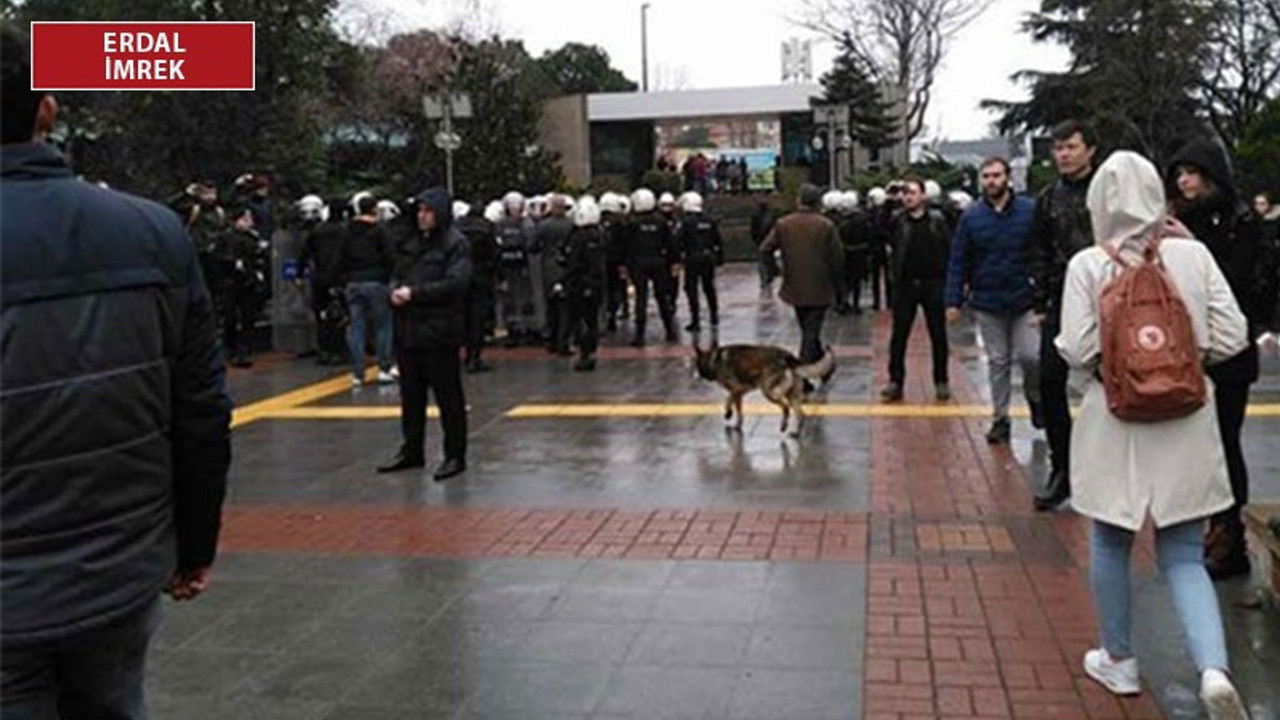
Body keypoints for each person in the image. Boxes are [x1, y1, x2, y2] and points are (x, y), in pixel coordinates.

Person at [1, 23, 232, 716]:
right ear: (47, 108)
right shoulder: (155, 232)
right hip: (120, 569)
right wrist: (193, 546)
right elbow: (200, 411)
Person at [1056, 150, 1251, 720]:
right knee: (1186, 554)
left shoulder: (1089, 263)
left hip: (1114, 418)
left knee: (1111, 541)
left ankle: (1119, 660)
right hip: (1187, 416)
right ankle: (1214, 670)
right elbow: (1234, 333)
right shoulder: (1193, 254)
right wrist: (1185, 361)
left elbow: (1079, 347)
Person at [1167, 137, 1274, 580]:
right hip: (1186, 351)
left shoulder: (1241, 223)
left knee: (1224, 443)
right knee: (1195, 446)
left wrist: (1193, 245)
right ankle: (1210, 529)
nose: (1184, 181)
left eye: (1191, 173)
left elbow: (1241, 285)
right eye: (1178, 174)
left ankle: (1229, 537)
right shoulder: (1176, 219)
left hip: (1229, 351)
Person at [945, 157, 1042, 443]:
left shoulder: (1029, 211)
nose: (991, 181)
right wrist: (953, 300)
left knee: (1031, 356)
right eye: (986, 176)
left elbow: (1041, 252)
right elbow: (958, 259)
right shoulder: (971, 217)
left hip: (1025, 299)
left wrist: (1042, 294)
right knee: (998, 361)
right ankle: (1000, 418)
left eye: (996, 175)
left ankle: (1035, 397)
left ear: (1008, 178)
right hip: (988, 301)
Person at [1029, 119, 1100, 511]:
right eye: (1058, 148)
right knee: (1050, 379)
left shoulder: (1106, 190)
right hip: (1061, 298)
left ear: (1090, 149)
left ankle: (1113, 471)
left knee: (1111, 384)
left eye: (1071, 146)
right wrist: (1039, 302)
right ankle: (1064, 469)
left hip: (1107, 297)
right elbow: (1038, 250)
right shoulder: (1047, 198)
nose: (1064, 154)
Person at [378, 187, 471, 481]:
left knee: (448, 398)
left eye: (428, 211)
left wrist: (415, 294)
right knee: (411, 396)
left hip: (440, 331)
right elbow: (398, 271)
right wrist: (394, 290)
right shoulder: (412, 241)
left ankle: (454, 455)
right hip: (409, 330)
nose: (422, 216)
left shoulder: (455, 243)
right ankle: (411, 449)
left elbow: (457, 282)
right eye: (419, 210)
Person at [882, 177, 952, 402]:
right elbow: (878, 230)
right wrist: (887, 200)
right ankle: (895, 381)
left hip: (933, 283)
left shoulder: (937, 219)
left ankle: (941, 380)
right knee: (899, 336)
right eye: (905, 193)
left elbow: (950, 247)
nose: (907, 197)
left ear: (923, 195)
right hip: (905, 285)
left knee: (938, 335)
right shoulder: (897, 220)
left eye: (912, 192)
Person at [760, 184, 844, 365]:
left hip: (794, 285)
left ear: (799, 200)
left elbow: (765, 249)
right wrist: (839, 288)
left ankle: (822, 363)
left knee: (808, 328)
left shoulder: (784, 224)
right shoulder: (826, 225)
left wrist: (774, 271)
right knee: (811, 330)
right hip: (820, 286)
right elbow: (837, 258)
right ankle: (803, 371)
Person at [342, 193, 397, 388]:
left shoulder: (347, 231)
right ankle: (384, 368)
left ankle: (357, 373)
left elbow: (340, 256)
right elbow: (391, 256)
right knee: (383, 325)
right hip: (376, 281)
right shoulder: (380, 231)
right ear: (374, 209)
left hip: (353, 282)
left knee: (357, 328)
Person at [623, 188, 680, 347]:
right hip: (658, 262)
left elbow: (627, 247)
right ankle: (670, 331)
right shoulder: (660, 221)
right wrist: (674, 261)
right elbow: (670, 243)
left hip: (639, 263)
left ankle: (639, 336)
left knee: (641, 299)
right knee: (662, 297)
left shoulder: (632, 223)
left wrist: (626, 265)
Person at [217, 204, 269, 368]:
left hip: (248, 282)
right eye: (246, 219)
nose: (249, 222)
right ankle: (231, 349)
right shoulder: (226, 237)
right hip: (230, 282)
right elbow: (218, 258)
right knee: (230, 317)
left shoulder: (252, 238)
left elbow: (259, 257)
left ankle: (243, 351)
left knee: (248, 319)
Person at [563, 197, 608, 371]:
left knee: (578, 320)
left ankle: (584, 353)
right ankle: (590, 350)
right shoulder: (600, 235)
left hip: (579, 284)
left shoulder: (578, 238)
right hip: (596, 284)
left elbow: (573, 262)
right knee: (592, 319)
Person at [456, 200, 500, 373]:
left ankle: (459, 353)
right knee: (477, 319)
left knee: (461, 316)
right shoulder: (487, 227)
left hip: (460, 276)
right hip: (480, 276)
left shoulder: (457, 226)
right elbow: (495, 253)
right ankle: (474, 357)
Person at [495, 191, 539, 346]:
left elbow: (530, 242)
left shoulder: (524, 224)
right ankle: (512, 328)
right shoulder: (505, 224)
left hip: (520, 266)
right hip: (510, 267)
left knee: (522, 298)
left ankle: (522, 327)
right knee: (511, 300)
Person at [676, 192, 723, 332]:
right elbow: (718, 240)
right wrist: (719, 258)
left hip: (692, 259)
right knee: (709, 287)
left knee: (692, 289)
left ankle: (695, 320)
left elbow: (678, 241)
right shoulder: (709, 220)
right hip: (708, 258)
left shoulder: (686, 222)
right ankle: (714, 316)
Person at [536, 195, 576, 356]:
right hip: (565, 268)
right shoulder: (571, 225)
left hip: (548, 268)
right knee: (565, 308)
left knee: (551, 306)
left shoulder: (543, 226)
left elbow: (533, 244)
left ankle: (551, 341)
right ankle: (563, 343)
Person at [837, 190, 871, 315]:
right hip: (859, 252)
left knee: (846, 279)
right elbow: (868, 234)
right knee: (856, 281)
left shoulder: (841, 218)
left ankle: (843, 302)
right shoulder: (862, 218)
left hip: (845, 251)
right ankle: (855, 304)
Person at [751, 197, 779, 293]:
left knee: (762, 262)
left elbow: (753, 230)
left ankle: (765, 279)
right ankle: (769, 277)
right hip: (771, 242)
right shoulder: (772, 215)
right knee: (769, 260)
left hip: (760, 241)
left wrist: (756, 240)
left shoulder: (755, 215)